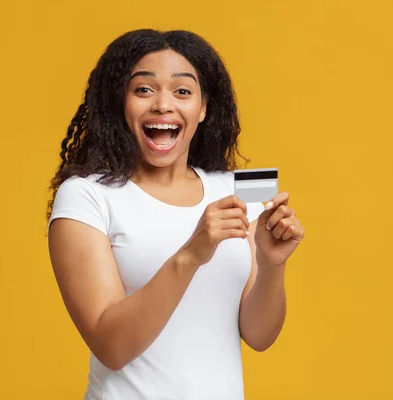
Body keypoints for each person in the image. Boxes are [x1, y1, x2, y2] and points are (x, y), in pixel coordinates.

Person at [46, 29, 305, 400]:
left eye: (182, 91)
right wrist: (191, 254)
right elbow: (111, 347)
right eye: (143, 90)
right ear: (120, 102)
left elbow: (260, 337)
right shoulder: (87, 196)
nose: (163, 105)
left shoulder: (234, 189)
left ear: (203, 108)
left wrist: (271, 264)